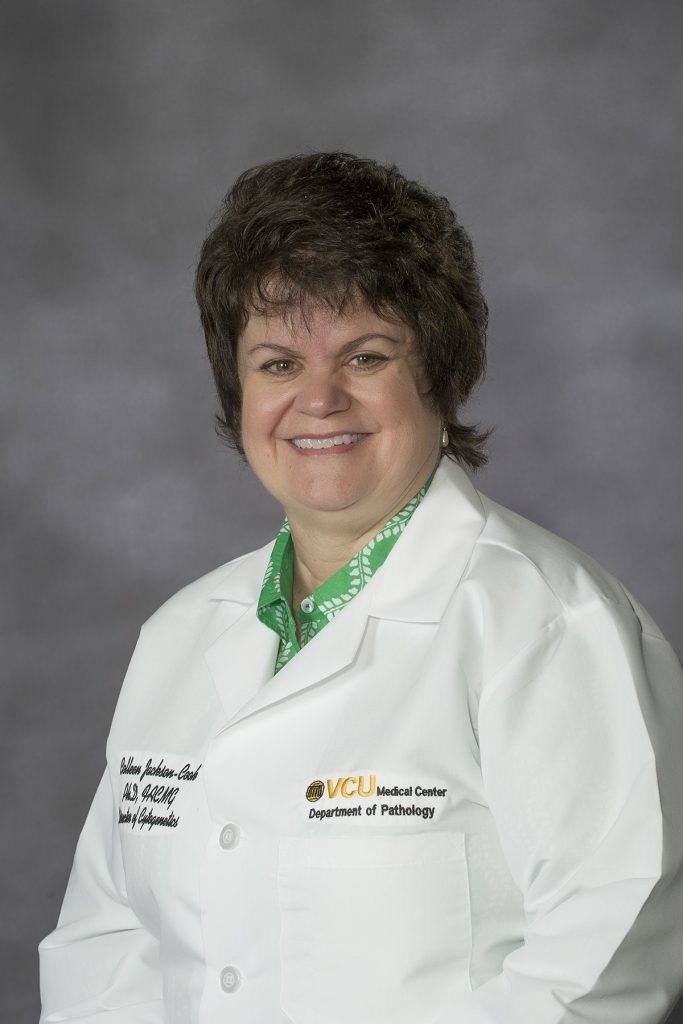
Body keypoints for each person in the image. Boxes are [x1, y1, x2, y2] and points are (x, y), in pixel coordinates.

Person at [39, 152, 683, 1024]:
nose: (319, 399)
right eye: (277, 365)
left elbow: (600, 970)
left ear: (441, 375)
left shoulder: (551, 626)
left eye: (364, 356)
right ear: (237, 390)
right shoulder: (179, 636)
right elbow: (108, 949)